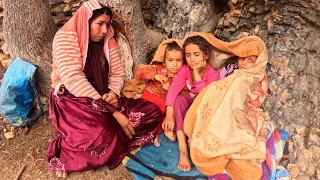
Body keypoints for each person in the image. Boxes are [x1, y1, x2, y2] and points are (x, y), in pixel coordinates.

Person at [46, 0, 162, 177]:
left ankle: (109, 140)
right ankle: (68, 151)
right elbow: (73, 79)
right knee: (101, 130)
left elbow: (117, 74)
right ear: (85, 21)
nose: (104, 30)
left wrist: (113, 93)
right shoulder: (65, 38)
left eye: (107, 24)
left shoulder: (107, 39)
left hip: (103, 96)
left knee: (150, 112)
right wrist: (113, 112)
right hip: (73, 99)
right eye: (99, 24)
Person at [183, 32, 269, 180]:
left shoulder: (258, 77)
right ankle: (206, 137)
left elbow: (254, 98)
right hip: (220, 102)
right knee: (213, 93)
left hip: (241, 108)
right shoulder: (231, 68)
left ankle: (226, 149)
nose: (244, 63)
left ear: (259, 62)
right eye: (242, 57)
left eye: (250, 60)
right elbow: (217, 86)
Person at [162, 36, 220, 172]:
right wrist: (169, 115)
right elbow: (173, 90)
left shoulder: (212, 74)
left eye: (196, 55)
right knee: (179, 99)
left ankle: (192, 143)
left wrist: (196, 74)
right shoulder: (184, 70)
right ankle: (183, 150)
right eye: (188, 55)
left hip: (203, 109)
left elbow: (206, 97)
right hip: (188, 104)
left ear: (205, 55)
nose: (192, 59)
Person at [135, 41, 184, 147]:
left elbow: (185, 93)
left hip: (166, 105)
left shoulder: (183, 76)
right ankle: (152, 133)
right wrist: (155, 75)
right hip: (150, 98)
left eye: (179, 60)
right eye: (170, 60)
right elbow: (139, 71)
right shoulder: (159, 69)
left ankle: (162, 130)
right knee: (146, 115)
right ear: (164, 62)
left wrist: (171, 89)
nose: (174, 65)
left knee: (171, 116)